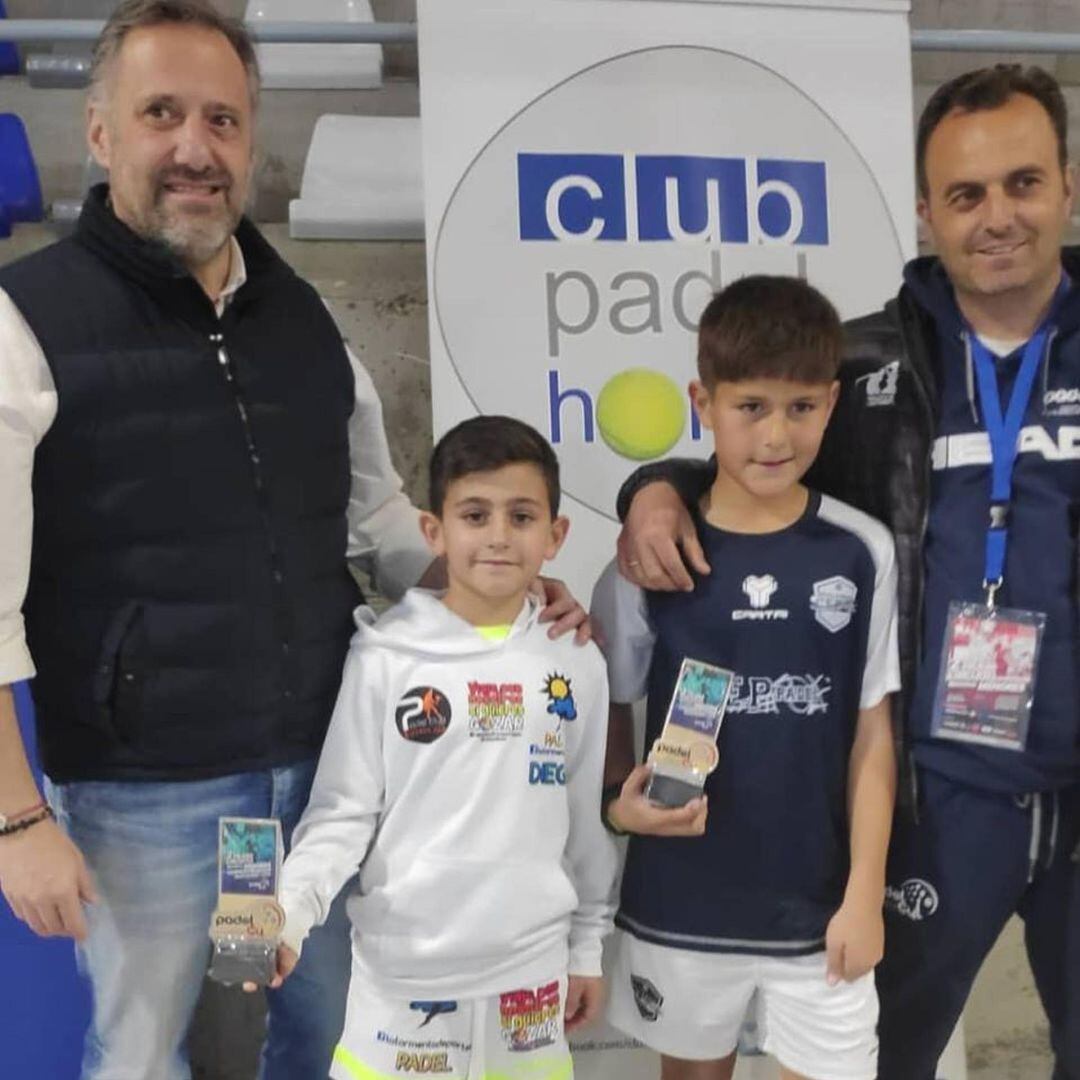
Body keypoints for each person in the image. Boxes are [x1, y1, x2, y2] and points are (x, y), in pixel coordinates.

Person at [0, 3, 586, 1078]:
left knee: (322, 1036)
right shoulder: (23, 322)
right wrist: (14, 820)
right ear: (99, 133)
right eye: (161, 114)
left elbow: (371, 519)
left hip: (326, 776)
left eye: (221, 120)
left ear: (250, 140)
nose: (194, 147)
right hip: (147, 792)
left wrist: (506, 597)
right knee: (146, 1055)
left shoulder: (302, 317)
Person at [616, 64, 1080, 1079]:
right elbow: (755, 458)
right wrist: (653, 485)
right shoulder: (870, 366)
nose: (996, 215)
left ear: (1068, 186)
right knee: (883, 1058)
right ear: (927, 212)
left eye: (1022, 183)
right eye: (965, 193)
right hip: (947, 792)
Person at [592, 276, 899, 1080]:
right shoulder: (645, 562)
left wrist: (865, 892)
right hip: (682, 905)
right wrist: (618, 803)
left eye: (800, 407)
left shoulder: (860, 551)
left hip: (820, 912)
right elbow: (608, 717)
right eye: (751, 406)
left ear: (832, 403)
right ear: (703, 400)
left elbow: (873, 730)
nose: (775, 435)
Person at [262, 415, 617, 1080]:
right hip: (401, 985)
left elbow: (581, 819)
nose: (498, 537)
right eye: (475, 515)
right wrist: (290, 915)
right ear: (435, 531)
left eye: (521, 516)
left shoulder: (576, 660)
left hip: (530, 984)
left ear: (555, 535)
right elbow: (343, 811)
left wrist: (586, 949)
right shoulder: (384, 657)